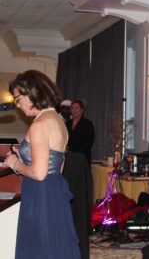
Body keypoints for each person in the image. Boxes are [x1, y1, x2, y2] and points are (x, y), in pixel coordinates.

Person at [3, 70, 80, 259]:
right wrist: (24, 160)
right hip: (54, 190)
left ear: (32, 93)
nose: (17, 105)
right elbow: (55, 166)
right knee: (54, 246)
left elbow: (39, 173)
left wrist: (14, 163)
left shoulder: (39, 125)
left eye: (18, 99)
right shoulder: (58, 120)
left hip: (40, 193)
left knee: (40, 249)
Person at [66, 98, 95, 163]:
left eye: (77, 108)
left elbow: (89, 141)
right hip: (69, 156)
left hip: (82, 157)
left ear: (82, 110)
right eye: (72, 108)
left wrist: (78, 153)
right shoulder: (67, 123)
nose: (74, 110)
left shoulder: (87, 124)